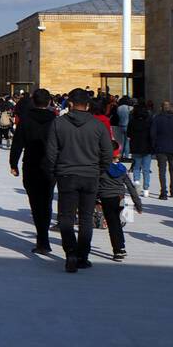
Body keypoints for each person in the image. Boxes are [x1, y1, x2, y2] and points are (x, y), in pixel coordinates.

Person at [45, 88, 114, 273]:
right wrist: (99, 170)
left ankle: (71, 253)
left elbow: (51, 153)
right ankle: (83, 256)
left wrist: (56, 171)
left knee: (66, 217)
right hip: (90, 175)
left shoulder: (58, 124)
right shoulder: (98, 125)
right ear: (88, 105)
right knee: (85, 218)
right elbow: (108, 153)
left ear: (71, 104)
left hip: (67, 175)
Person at [9, 88, 56, 254]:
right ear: (49, 102)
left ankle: (42, 238)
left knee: (35, 203)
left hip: (31, 164)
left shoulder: (26, 120)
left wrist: (13, 164)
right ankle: (44, 238)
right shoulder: (55, 120)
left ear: (33, 102)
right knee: (47, 201)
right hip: (50, 166)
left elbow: (17, 143)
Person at [99, 142, 143, 261]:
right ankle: (121, 246)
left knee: (113, 224)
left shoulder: (101, 169)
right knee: (117, 223)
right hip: (120, 198)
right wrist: (138, 204)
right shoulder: (122, 169)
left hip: (107, 198)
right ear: (118, 156)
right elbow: (131, 187)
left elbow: (95, 185)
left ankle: (118, 250)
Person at [150, 101, 173, 200]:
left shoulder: (157, 118)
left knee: (162, 171)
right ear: (170, 107)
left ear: (161, 108)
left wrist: (154, 146)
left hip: (160, 147)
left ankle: (163, 193)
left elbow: (153, 134)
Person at [127, 100, 153, 196]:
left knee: (136, 167)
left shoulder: (132, 122)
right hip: (147, 147)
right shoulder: (149, 122)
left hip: (135, 147)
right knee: (146, 169)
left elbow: (128, 134)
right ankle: (146, 189)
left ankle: (136, 182)